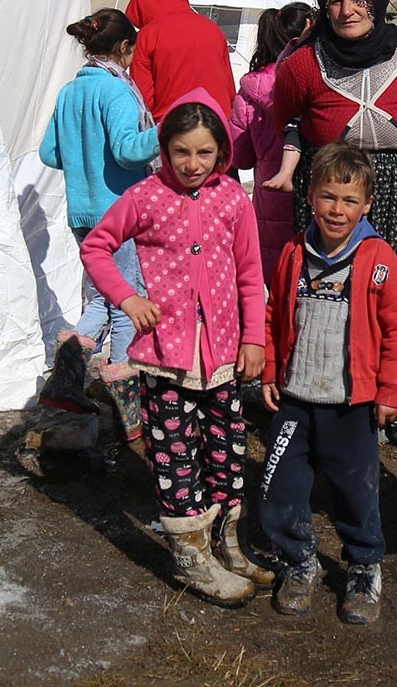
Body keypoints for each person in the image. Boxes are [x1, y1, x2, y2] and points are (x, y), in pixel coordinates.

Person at [79, 91, 269, 604]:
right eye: (181, 151)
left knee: (228, 452)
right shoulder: (144, 197)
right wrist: (126, 297)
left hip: (224, 358)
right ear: (163, 149)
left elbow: (251, 276)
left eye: (204, 153)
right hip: (164, 359)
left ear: (222, 153)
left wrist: (255, 337)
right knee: (175, 457)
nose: (192, 164)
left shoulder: (232, 198)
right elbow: (96, 246)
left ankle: (227, 543)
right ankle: (191, 559)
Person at [273, 0, 397, 455]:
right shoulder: (304, 64)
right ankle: (337, 402)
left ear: (376, 3)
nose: (346, 9)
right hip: (328, 183)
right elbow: (285, 112)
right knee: (327, 296)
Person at [260, 144, 397, 625]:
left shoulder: (378, 259)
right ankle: (298, 560)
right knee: (280, 485)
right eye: (328, 197)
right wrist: (268, 370)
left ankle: (365, 567)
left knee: (356, 490)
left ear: (367, 204)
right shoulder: (292, 253)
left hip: (352, 403)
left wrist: (390, 392)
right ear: (310, 196)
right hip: (295, 398)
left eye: (349, 201)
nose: (337, 210)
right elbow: (271, 316)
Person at [37, 10, 160, 436]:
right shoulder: (118, 92)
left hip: (83, 214)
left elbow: (50, 154)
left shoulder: (70, 92)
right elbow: (129, 152)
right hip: (121, 212)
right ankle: (129, 406)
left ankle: (65, 378)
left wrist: (82, 157)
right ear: (125, 48)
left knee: (101, 300)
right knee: (127, 300)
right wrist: (164, 132)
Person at [229, 2, 316, 284]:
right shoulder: (313, 83)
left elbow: (240, 157)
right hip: (316, 191)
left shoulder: (249, 91)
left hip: (269, 198)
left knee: (276, 282)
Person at [125, 0, 236, 120]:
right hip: (216, 122)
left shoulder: (147, 35)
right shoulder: (212, 29)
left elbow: (143, 99)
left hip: (172, 126)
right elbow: (229, 89)